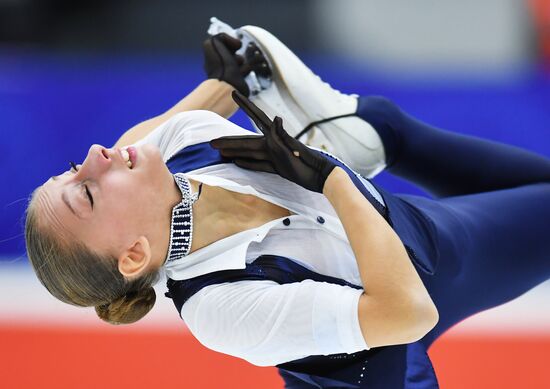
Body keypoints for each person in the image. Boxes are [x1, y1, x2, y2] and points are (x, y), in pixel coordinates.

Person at [24, 25, 550, 389]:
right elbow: (407, 313)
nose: (94, 156)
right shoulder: (219, 308)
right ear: (135, 256)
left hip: (421, 241)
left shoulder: (178, 144)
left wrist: (239, 67)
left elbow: (210, 97)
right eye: (86, 193)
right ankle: (378, 137)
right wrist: (332, 178)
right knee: (380, 138)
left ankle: (379, 132)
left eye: (73, 167)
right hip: (379, 365)